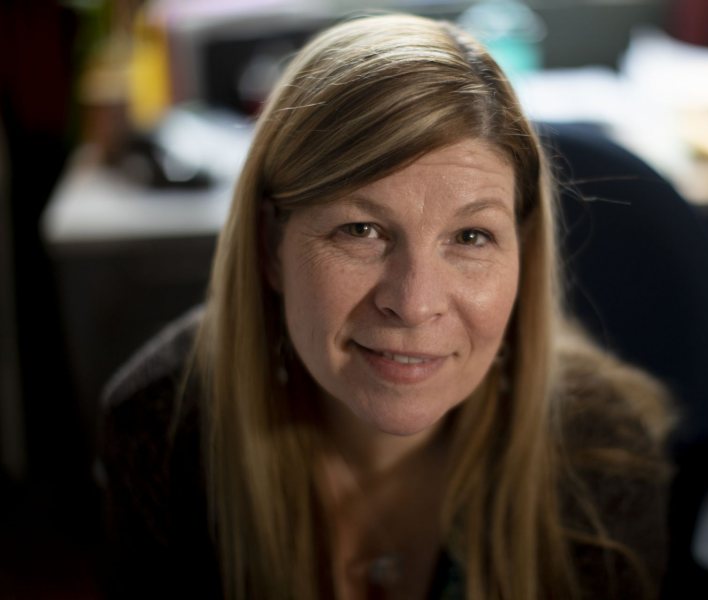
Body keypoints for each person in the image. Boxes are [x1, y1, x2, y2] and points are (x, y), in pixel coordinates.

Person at [99, 13, 673, 600]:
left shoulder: (598, 457)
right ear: (271, 244)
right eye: (361, 229)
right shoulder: (165, 427)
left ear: (521, 254)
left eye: (471, 237)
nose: (415, 303)